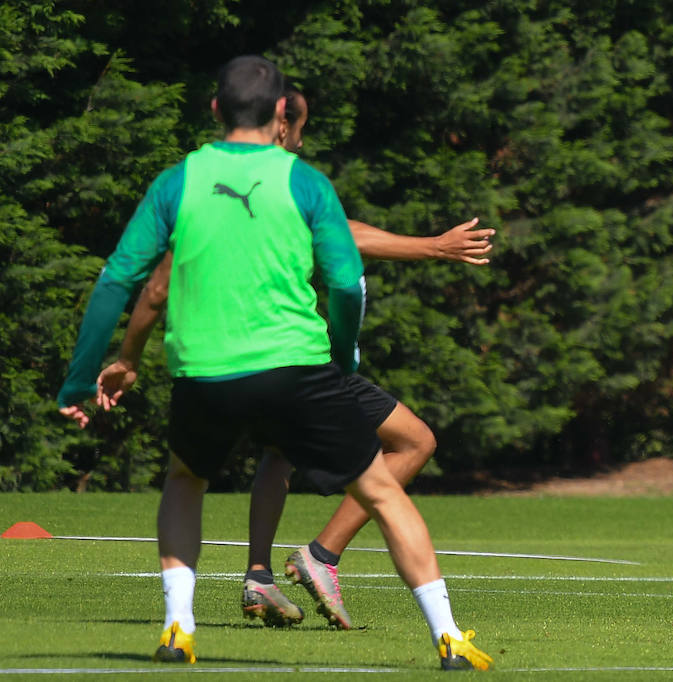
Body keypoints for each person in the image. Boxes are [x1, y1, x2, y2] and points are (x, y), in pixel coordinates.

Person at [56, 56, 495, 669]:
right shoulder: (306, 183)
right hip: (298, 370)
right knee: (382, 489)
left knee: (186, 480)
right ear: (281, 112)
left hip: (205, 373)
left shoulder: (178, 181)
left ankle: (179, 628)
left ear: (214, 109)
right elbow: (345, 283)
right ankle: (448, 638)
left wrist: (86, 377)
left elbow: (118, 282)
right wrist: (340, 359)